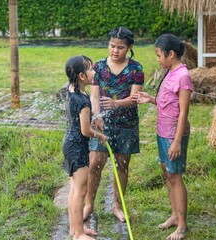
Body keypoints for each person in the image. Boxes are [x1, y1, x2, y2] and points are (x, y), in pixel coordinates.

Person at [133, 34, 193, 240]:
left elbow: (183, 112)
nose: (158, 59)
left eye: (159, 55)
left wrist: (176, 141)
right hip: (162, 132)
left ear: (171, 54)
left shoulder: (183, 76)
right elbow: (167, 102)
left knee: (175, 177)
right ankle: (175, 215)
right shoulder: (170, 72)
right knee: (168, 174)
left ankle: (182, 226)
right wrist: (150, 99)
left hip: (173, 136)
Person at [83, 26, 145, 222]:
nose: (115, 51)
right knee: (94, 164)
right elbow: (94, 96)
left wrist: (116, 103)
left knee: (122, 165)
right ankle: (88, 205)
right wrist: (97, 115)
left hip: (126, 124)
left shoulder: (136, 69)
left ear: (129, 48)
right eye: (112, 46)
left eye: (120, 47)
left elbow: (135, 97)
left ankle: (117, 206)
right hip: (102, 123)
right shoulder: (99, 68)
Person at [63, 55, 108, 240]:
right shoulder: (83, 101)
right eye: (90, 69)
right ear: (82, 76)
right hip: (77, 148)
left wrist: (93, 121)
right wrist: (99, 134)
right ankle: (79, 234)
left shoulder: (73, 91)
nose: (94, 72)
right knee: (79, 192)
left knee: (75, 190)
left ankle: (74, 230)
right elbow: (85, 130)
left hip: (69, 145)